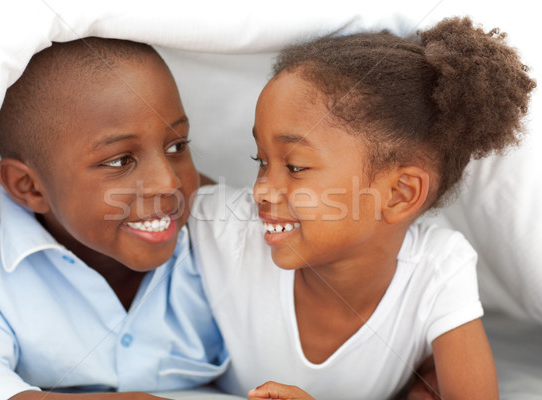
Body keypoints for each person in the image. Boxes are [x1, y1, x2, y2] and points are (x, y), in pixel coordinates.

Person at [189, 17, 535, 400]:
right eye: (261, 161)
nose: (261, 191)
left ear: (400, 194)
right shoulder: (228, 227)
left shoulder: (438, 269)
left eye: (295, 167)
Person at [0, 38, 228, 400]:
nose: (167, 182)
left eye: (176, 146)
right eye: (120, 160)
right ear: (29, 187)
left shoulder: (222, 230)